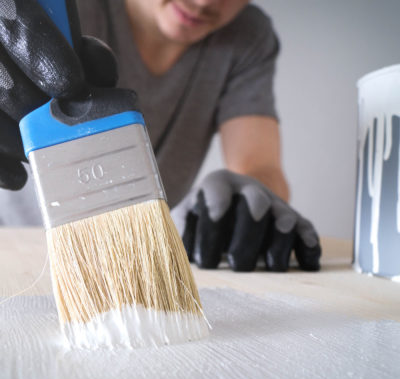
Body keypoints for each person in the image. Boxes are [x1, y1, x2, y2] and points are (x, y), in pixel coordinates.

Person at [0, 0, 321, 271]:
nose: (206, 2)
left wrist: (250, 198)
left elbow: (259, 165)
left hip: (136, 259)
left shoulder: (247, 36)